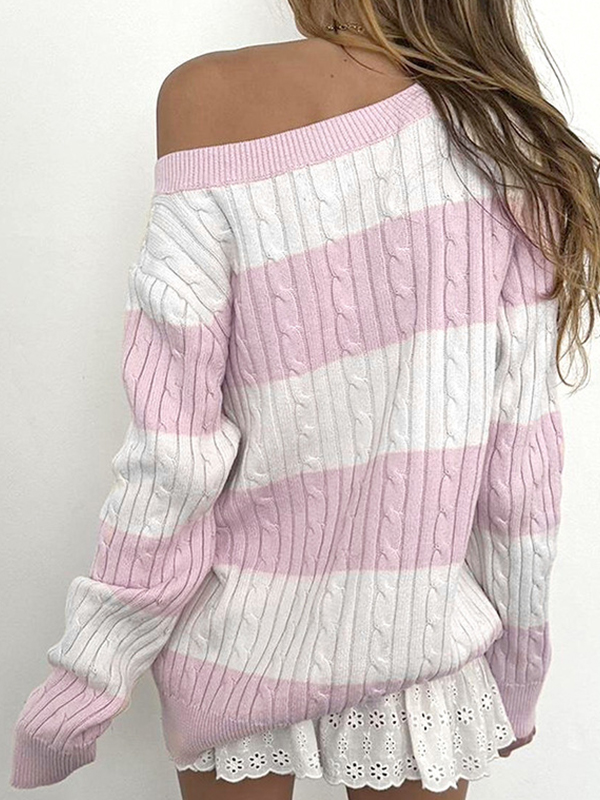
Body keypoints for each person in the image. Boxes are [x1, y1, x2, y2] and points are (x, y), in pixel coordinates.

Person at [9, 1, 600, 799]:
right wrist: (516, 678)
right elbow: (519, 476)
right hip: (419, 642)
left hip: (232, 645)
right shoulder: (504, 139)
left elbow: (171, 459)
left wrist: (85, 685)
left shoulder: (205, 98)